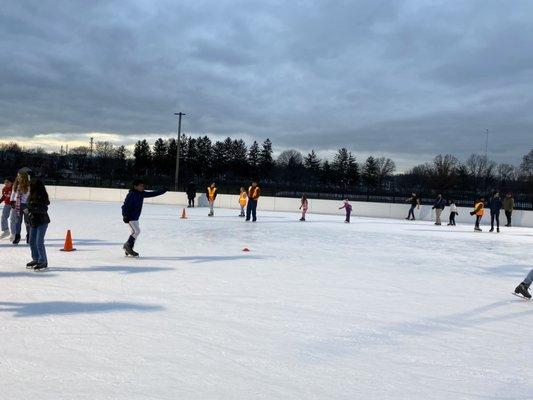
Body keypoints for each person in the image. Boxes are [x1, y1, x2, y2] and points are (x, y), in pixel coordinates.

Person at [121, 179, 167, 257]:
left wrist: (163, 190)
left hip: (136, 217)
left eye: (143, 186)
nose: (143, 187)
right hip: (130, 217)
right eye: (141, 186)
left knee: (134, 232)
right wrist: (125, 215)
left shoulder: (141, 194)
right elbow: (125, 206)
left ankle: (128, 247)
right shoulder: (131, 194)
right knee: (136, 231)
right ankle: (128, 246)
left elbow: (153, 193)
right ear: (135, 186)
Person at [26, 179, 50, 271]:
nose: (29, 187)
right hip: (33, 221)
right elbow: (29, 206)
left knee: (39, 242)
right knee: (32, 241)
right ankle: (36, 259)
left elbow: (43, 210)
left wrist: (32, 208)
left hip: (42, 221)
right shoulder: (31, 195)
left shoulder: (42, 195)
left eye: (31, 185)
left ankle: (43, 261)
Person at [10, 171, 31, 244]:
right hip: (17, 205)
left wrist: (29, 206)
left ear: (24, 177)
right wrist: (12, 201)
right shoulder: (15, 185)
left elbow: (29, 196)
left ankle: (29, 236)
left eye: (20, 176)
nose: (18, 178)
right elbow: (13, 194)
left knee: (27, 221)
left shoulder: (28, 186)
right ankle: (17, 236)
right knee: (17, 222)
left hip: (25, 205)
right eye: (18, 176)